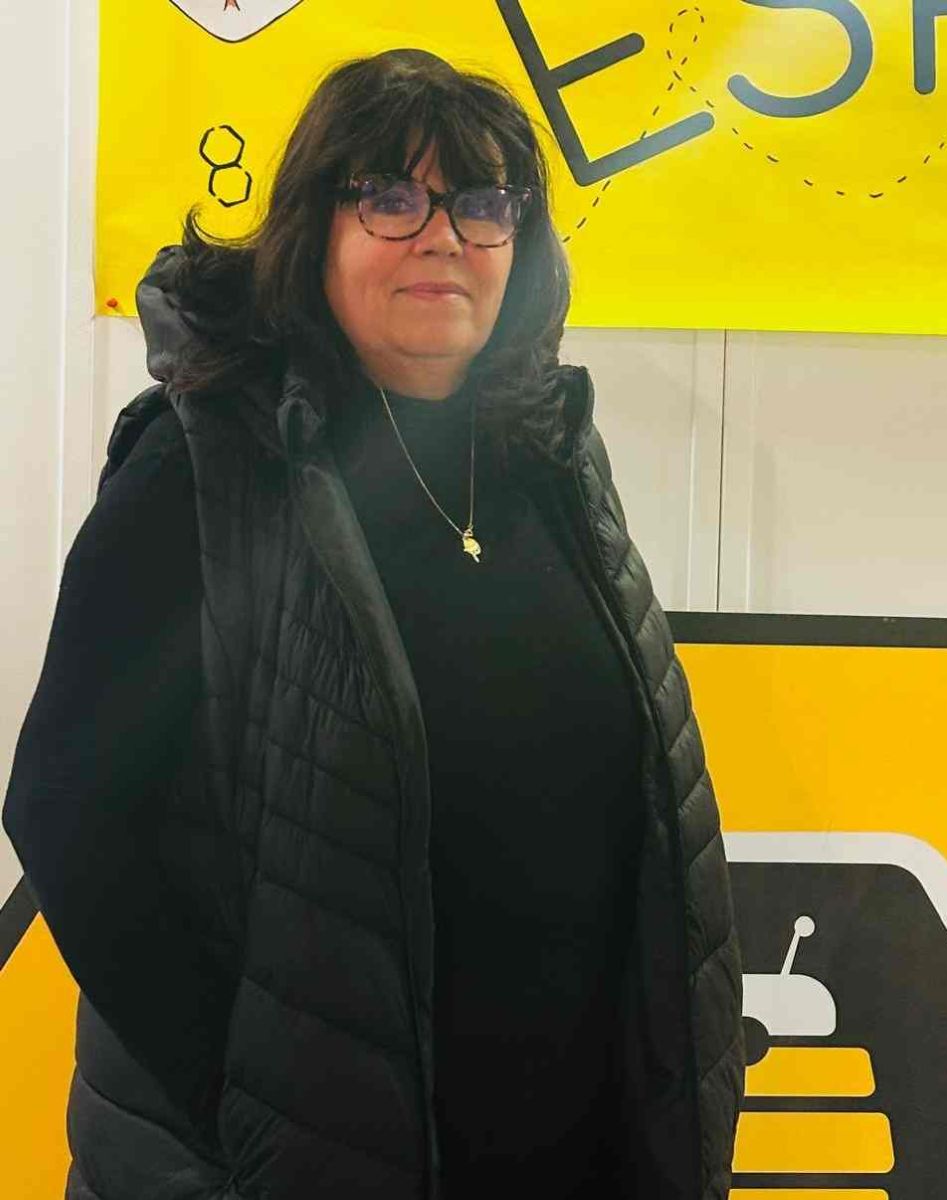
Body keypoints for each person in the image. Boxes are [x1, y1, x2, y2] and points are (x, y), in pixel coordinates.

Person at [2, 47, 744, 1200]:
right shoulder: (206, 459)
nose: (444, 236)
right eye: (394, 197)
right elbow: (67, 807)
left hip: (561, 1148)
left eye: (483, 202)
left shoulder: (550, 458)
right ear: (315, 228)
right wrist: (243, 1105)